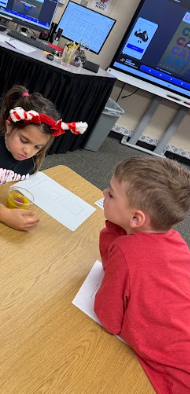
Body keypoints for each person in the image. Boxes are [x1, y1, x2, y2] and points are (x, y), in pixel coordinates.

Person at [94, 156, 190, 394]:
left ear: (136, 218)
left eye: (112, 194)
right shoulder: (176, 241)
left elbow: (109, 320)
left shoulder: (127, 250)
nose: (104, 192)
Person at [0, 85, 88, 231]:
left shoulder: (32, 158)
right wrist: (4, 214)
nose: (28, 151)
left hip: (1, 218)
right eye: (24, 140)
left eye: (38, 147)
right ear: (9, 127)